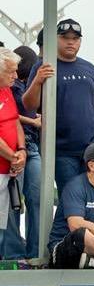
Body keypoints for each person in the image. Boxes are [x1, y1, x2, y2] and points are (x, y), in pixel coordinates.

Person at [22, 19, 94, 196]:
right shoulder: (42, 66)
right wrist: (38, 81)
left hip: (93, 149)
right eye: (65, 37)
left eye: (75, 38)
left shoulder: (89, 68)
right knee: (71, 197)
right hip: (61, 151)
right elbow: (29, 105)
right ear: (55, 39)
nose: (71, 42)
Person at [8, 45, 40, 259]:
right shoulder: (9, 86)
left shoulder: (24, 85)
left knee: (37, 198)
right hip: (13, 147)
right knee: (13, 201)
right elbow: (10, 115)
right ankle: (14, 254)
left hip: (30, 145)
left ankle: (35, 252)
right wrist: (34, 121)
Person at [0, 48, 26, 255]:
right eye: (11, 71)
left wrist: (22, 150)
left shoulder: (7, 89)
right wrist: (13, 155)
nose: (16, 76)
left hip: (8, 168)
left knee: (3, 224)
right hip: (5, 164)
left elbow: (15, 121)